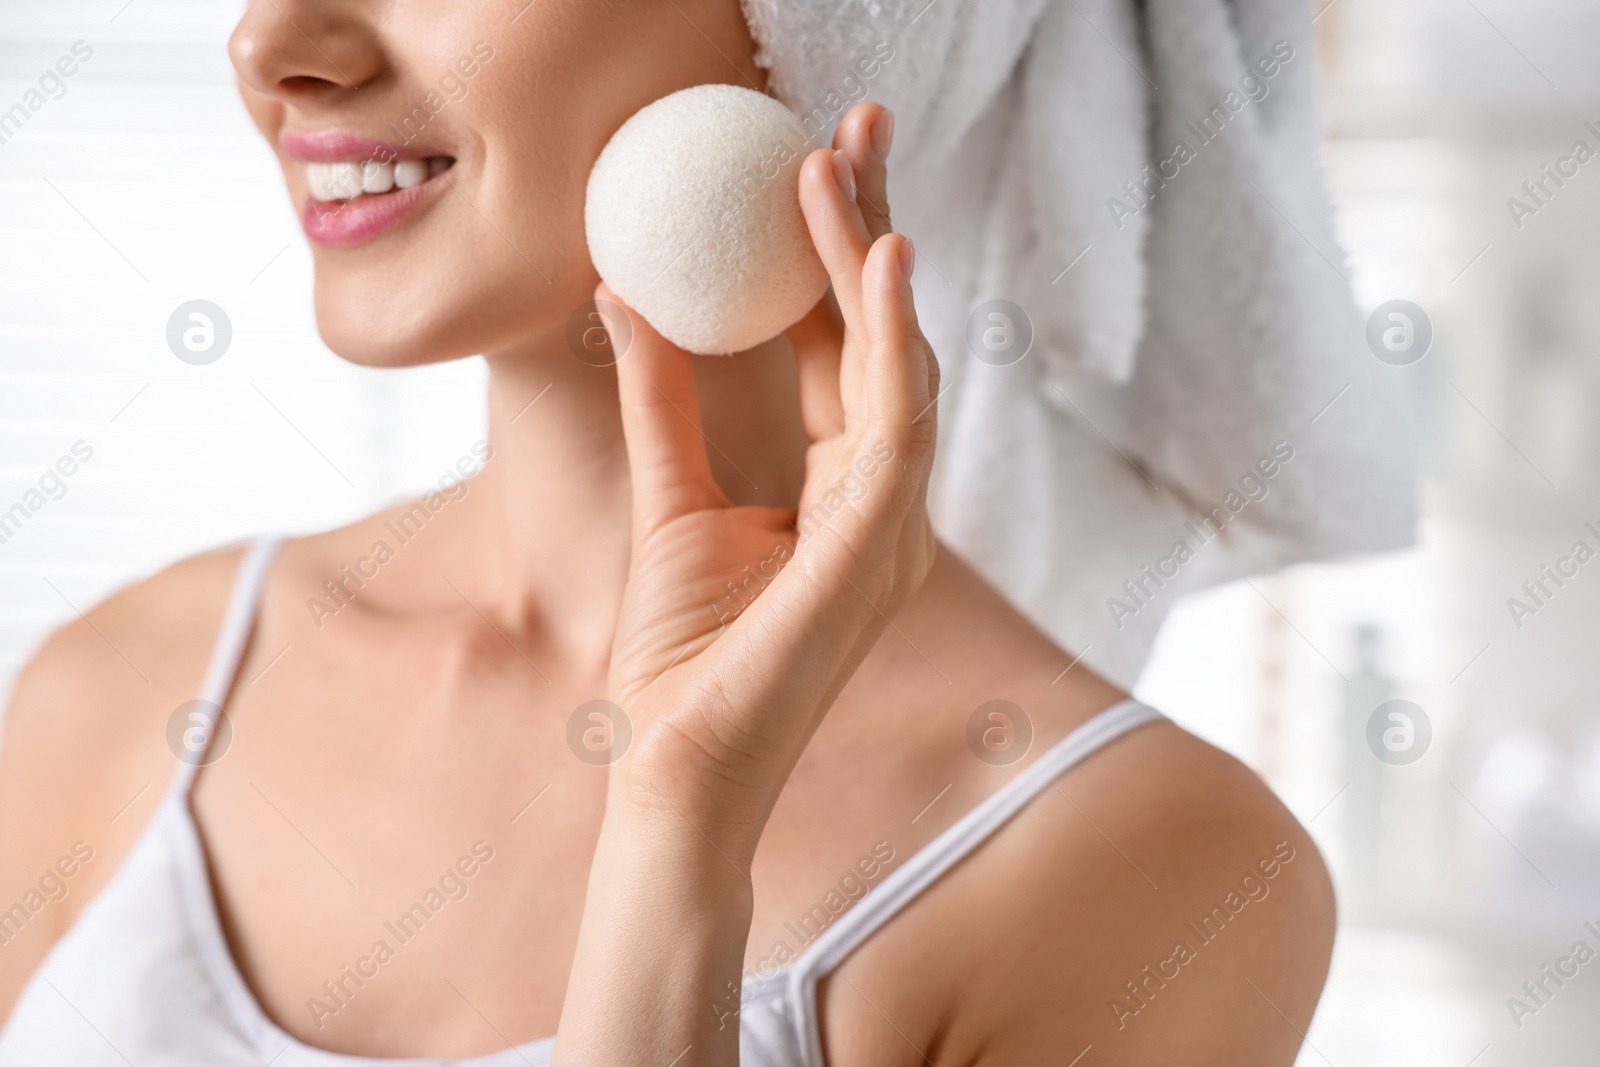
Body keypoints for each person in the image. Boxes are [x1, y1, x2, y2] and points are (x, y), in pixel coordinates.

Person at [0, 1, 1334, 1063]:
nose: (272, 43)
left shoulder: (1147, 870)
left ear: (827, 28)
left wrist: (678, 833)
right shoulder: (125, 687)